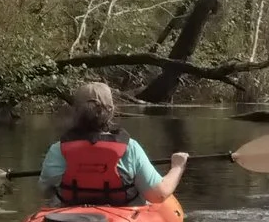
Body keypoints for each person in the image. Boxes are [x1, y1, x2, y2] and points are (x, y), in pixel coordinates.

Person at [40, 81, 188, 206]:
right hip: (123, 220)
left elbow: (45, 192)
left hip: (69, 220)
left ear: (76, 111)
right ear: (111, 111)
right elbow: (158, 195)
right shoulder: (130, 148)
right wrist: (177, 166)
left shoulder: (58, 149)